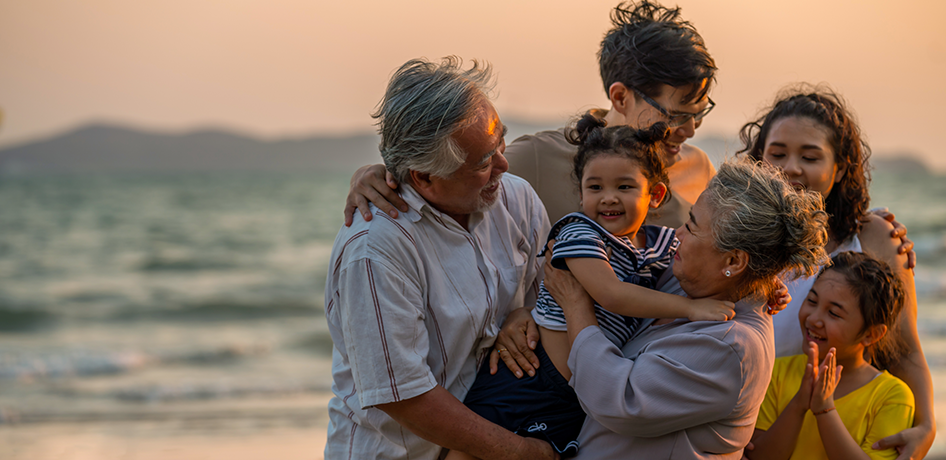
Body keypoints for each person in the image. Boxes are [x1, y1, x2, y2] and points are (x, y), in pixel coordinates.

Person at [448, 117, 736, 459]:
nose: (608, 199)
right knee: (471, 450)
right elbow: (610, 294)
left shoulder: (659, 244)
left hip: (577, 394)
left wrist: (764, 289)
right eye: (595, 187)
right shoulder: (580, 233)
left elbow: (708, 258)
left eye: (625, 187)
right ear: (580, 192)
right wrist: (690, 309)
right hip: (532, 375)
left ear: (655, 195)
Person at [323, 57, 555, 460]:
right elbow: (402, 395)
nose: (504, 162)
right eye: (483, 162)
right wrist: (520, 453)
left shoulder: (516, 199)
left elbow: (555, 296)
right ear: (424, 178)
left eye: (500, 140)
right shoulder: (375, 248)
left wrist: (527, 314)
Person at [541, 159, 829, 458]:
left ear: (733, 262)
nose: (676, 234)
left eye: (691, 226)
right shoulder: (694, 281)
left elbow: (618, 399)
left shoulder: (730, 346)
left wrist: (575, 305)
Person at [344, 0, 717, 229]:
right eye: (674, 116)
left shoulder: (699, 170)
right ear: (620, 96)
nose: (688, 131)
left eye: (698, 116)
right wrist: (376, 176)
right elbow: (444, 183)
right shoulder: (538, 158)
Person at [739, 88, 934, 459]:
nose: (791, 167)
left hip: (836, 434)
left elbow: (904, 346)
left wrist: (926, 425)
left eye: (810, 156)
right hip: (753, 438)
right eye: (777, 153)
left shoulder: (872, 236)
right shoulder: (739, 239)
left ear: (841, 168)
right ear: (759, 160)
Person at [748, 251, 914, 460]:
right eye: (812, 300)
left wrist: (825, 409)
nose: (814, 319)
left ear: (872, 334)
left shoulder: (892, 396)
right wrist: (799, 403)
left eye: (834, 313)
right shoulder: (776, 372)